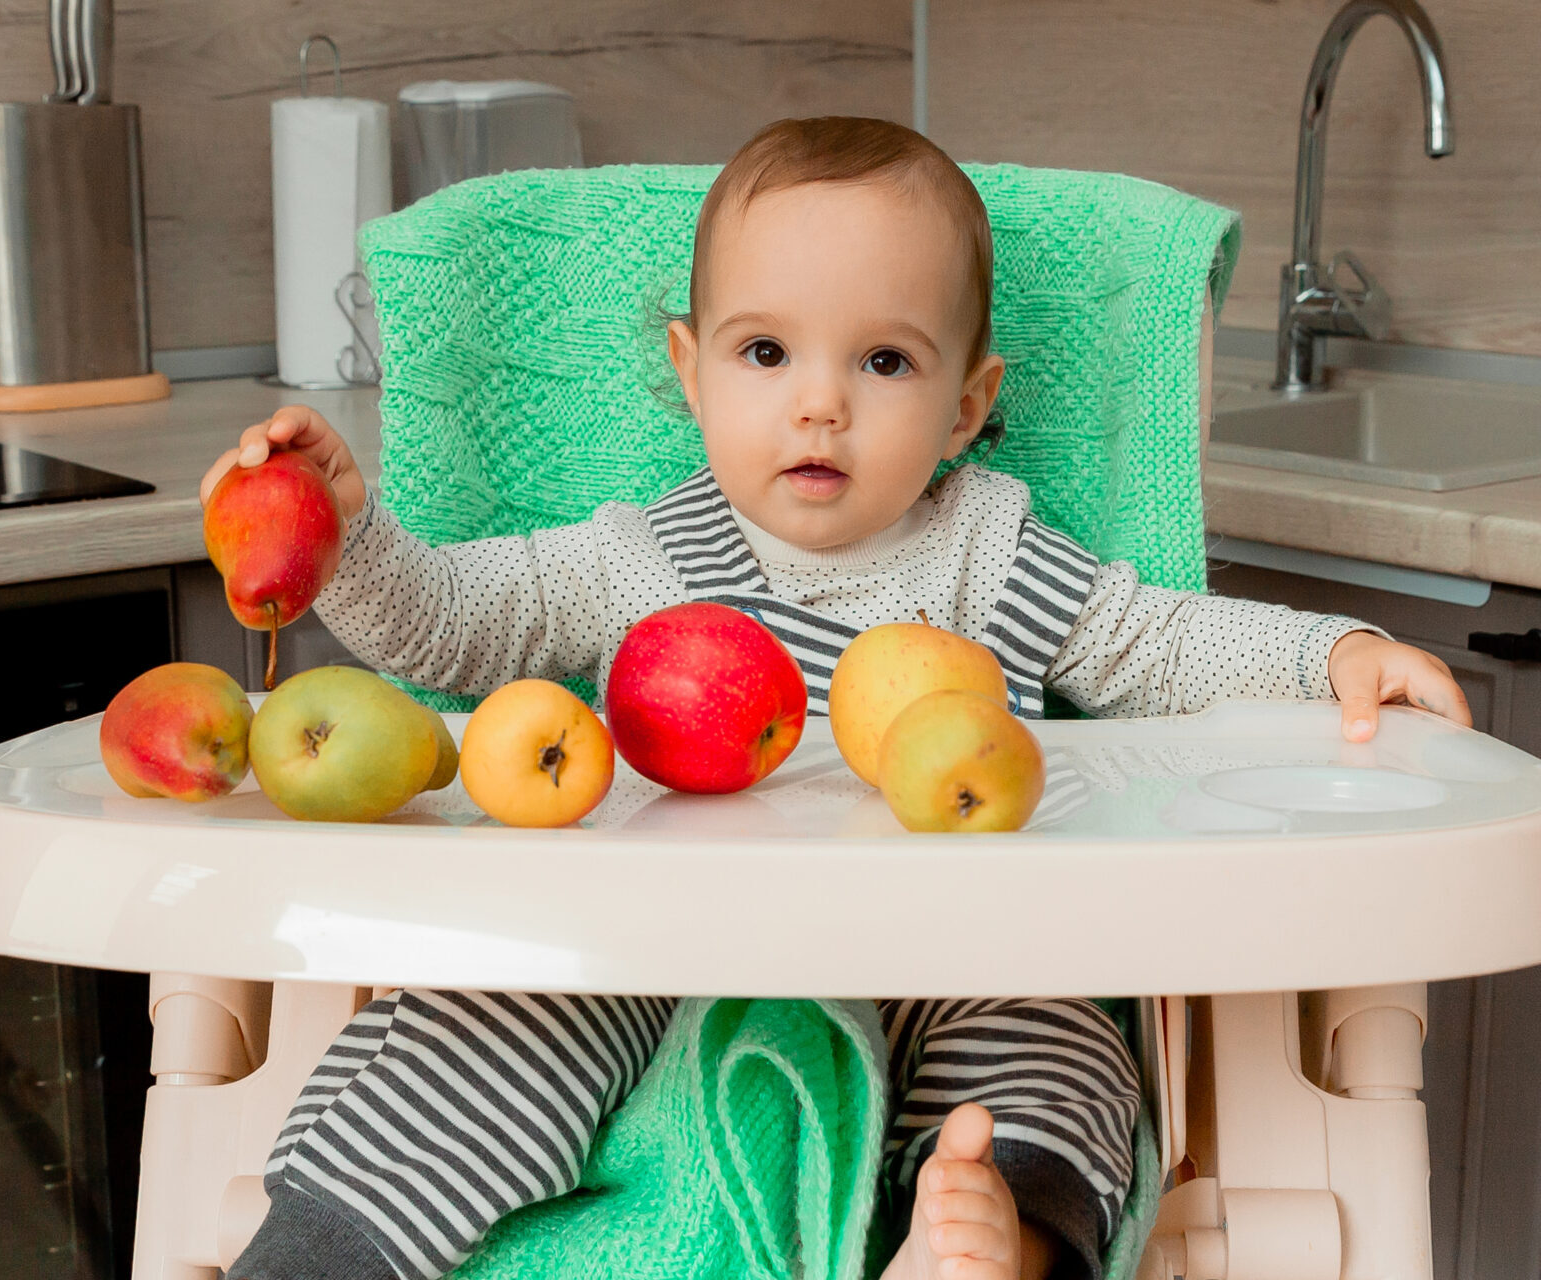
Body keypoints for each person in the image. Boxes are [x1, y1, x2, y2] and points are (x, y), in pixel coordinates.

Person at [205, 116, 1470, 1280]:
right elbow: (448, 624)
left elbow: (1152, 641)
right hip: (654, 945)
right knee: (485, 1021)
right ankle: (326, 1253)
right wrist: (345, 538)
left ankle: (993, 1232)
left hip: (942, 946)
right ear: (691, 375)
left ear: (967, 403)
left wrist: (1328, 654)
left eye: (883, 358)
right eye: (766, 351)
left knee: (1056, 1029)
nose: (820, 401)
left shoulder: (993, 553)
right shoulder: (638, 557)